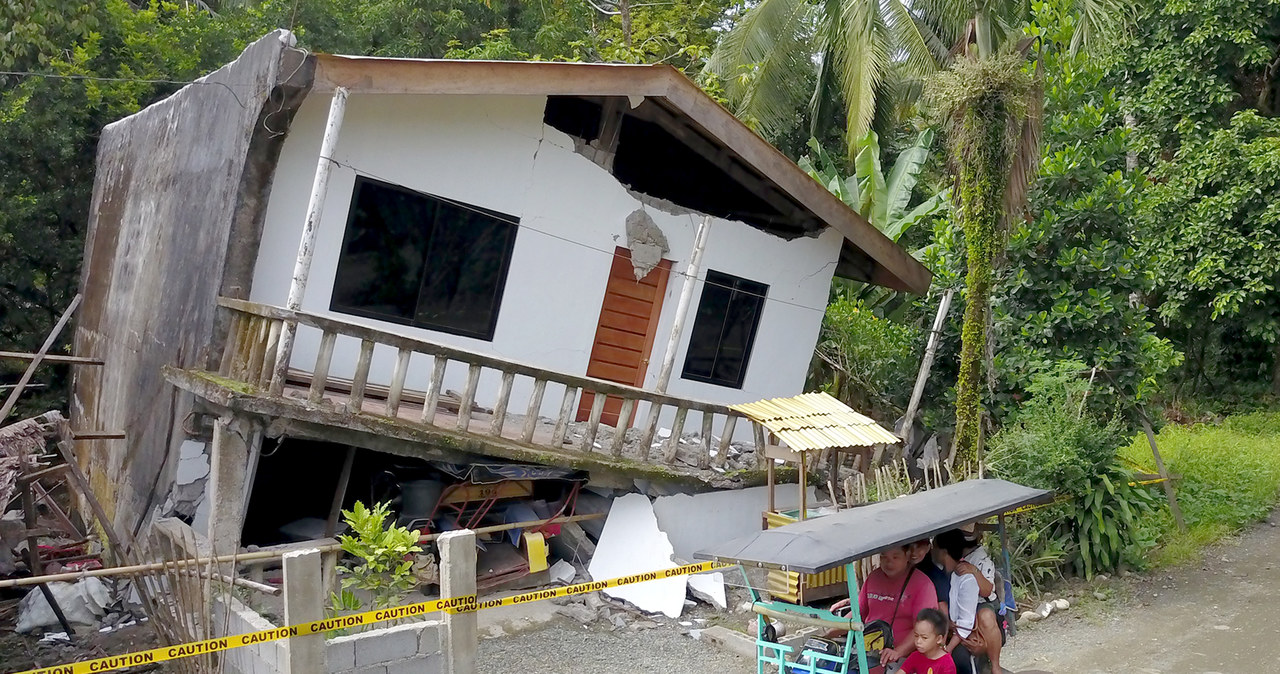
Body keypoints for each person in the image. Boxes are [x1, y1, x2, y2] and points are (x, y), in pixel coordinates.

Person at [830, 544, 938, 671]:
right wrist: (829, 633)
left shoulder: (923, 585)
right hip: (867, 650)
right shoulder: (873, 577)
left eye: (895, 557)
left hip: (903, 657)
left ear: (907, 555)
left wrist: (898, 652)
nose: (889, 563)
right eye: (884, 557)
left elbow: (923, 629)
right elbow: (857, 613)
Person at [933, 530, 1004, 674]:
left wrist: (974, 571)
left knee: (986, 617)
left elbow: (986, 590)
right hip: (960, 615)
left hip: (982, 601)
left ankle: (995, 666)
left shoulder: (980, 560)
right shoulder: (943, 569)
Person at [898, 608, 957, 674]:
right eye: (916, 636)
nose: (918, 641)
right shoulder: (915, 656)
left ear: (939, 639)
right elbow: (902, 671)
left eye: (924, 638)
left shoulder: (947, 663)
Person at [909, 539, 949, 617]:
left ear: (928, 548)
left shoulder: (936, 577)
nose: (914, 552)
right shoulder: (899, 572)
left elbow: (942, 610)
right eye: (909, 547)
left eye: (919, 547)